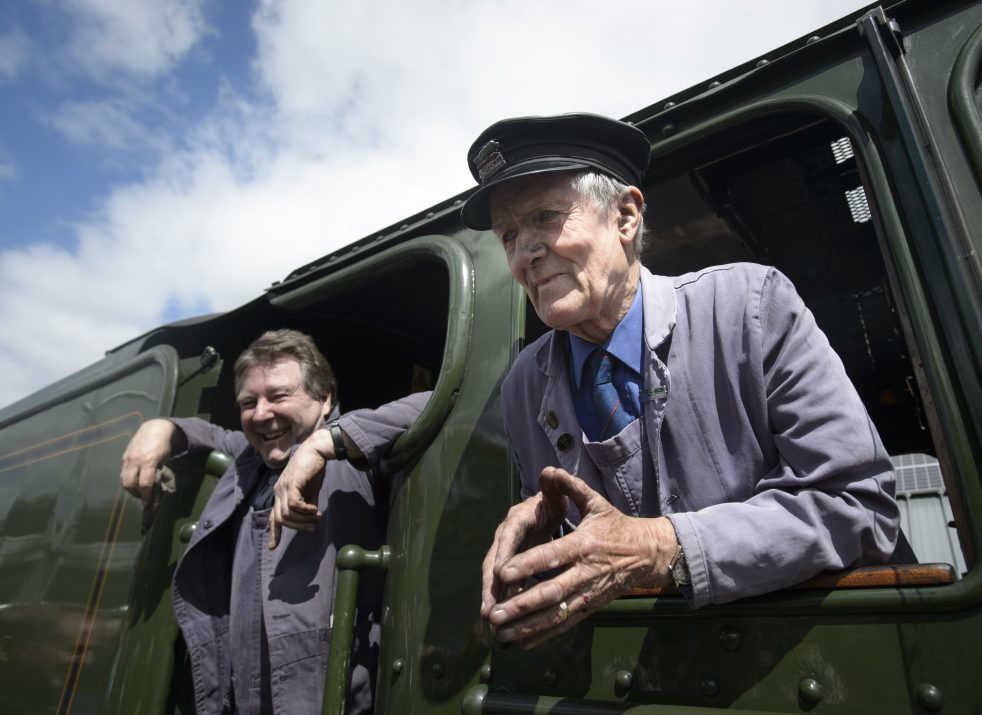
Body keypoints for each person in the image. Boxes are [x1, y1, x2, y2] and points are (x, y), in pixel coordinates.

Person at [462, 113, 902, 650]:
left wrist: (661, 547)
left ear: (625, 217)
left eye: (546, 218)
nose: (525, 253)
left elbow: (857, 505)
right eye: (509, 235)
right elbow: (588, 567)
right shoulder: (523, 388)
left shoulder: (750, 306)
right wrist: (545, 541)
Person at [119, 329, 429, 714]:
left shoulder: (354, 453)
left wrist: (323, 444)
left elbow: (433, 402)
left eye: (279, 396)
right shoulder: (251, 457)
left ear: (324, 397)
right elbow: (211, 434)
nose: (262, 414)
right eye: (249, 402)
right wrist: (161, 428)